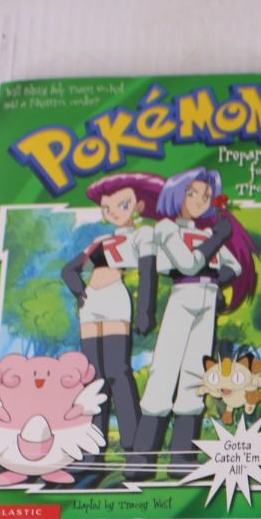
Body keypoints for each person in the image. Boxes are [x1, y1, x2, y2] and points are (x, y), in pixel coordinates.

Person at [135, 169, 257, 474]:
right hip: (182, 296)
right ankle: (142, 459)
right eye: (192, 193)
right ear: (177, 194)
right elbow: (188, 263)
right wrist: (217, 238)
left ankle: (182, 458)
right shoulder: (166, 228)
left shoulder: (205, 235)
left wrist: (215, 280)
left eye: (206, 196)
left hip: (208, 299)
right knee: (164, 371)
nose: (200, 201)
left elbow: (234, 266)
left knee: (194, 376)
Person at [62, 173, 161, 474]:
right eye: (107, 208)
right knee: (95, 378)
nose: (114, 212)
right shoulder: (101, 241)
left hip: (117, 299)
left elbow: (148, 273)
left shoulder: (143, 236)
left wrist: (145, 311)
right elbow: (69, 270)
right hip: (90, 303)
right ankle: (93, 451)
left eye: (122, 204)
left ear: (138, 205)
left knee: (118, 373)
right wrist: (79, 290)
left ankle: (134, 449)